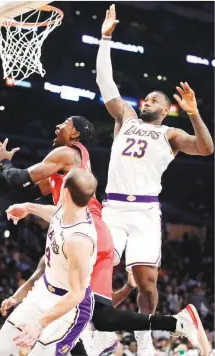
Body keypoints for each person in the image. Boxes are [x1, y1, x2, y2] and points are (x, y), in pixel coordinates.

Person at [96, 4, 214, 356]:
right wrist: (105, 38)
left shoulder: (172, 134)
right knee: (101, 264)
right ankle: (93, 326)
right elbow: (106, 83)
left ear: (165, 110)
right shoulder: (127, 118)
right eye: (147, 97)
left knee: (147, 284)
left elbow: (207, 148)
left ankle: (145, 341)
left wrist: (194, 115)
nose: (147, 100)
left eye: (156, 99)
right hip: (114, 207)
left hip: (146, 212)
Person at [0, 116, 135, 355]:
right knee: (47, 271)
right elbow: (36, 188)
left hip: (85, 227)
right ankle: (95, 338)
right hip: (70, 223)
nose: (58, 125)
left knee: (88, 304)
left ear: (75, 134)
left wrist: (1, 165)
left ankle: (102, 340)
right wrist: (27, 206)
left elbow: (20, 179)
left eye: (65, 123)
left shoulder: (67, 155)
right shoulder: (73, 162)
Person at [5, 200, 211, 356]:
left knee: (88, 318)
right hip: (95, 233)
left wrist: (10, 177)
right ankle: (175, 323)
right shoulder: (58, 250)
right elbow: (100, 304)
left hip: (92, 231)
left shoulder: (67, 170)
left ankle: (175, 323)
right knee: (99, 318)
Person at [0, 168, 98, 356]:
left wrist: (39, 324)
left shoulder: (79, 240)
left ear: (66, 192)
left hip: (69, 307)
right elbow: (55, 214)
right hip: (43, 292)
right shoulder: (69, 211)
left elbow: (76, 294)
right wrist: (28, 208)